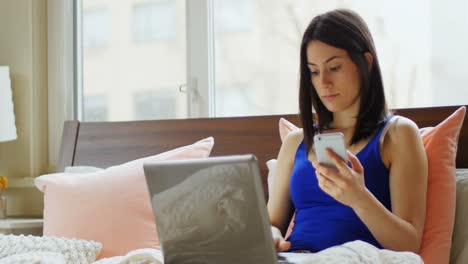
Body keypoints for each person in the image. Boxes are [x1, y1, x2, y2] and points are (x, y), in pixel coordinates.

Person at [267, 9, 428, 254]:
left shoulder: (398, 134)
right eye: (314, 71)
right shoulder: (295, 141)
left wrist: (359, 198)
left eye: (334, 67)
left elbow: (409, 244)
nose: (323, 83)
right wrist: (271, 236)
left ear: (366, 62)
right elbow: (271, 224)